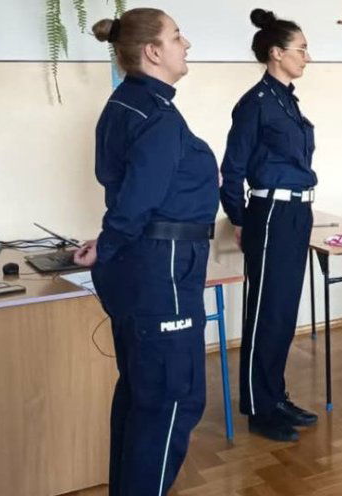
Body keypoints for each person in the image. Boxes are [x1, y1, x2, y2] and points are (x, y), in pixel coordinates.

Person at [76, 9, 218, 495]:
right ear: (152, 52)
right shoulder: (153, 115)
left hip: (149, 265)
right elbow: (136, 202)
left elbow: (134, 194)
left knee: (142, 394)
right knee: (171, 399)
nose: (187, 43)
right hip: (164, 272)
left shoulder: (126, 104)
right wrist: (110, 244)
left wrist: (109, 245)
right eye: (177, 37)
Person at [219, 8, 318, 443]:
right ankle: (258, 408)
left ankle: (275, 396)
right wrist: (241, 218)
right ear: (276, 53)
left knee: (282, 311)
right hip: (270, 213)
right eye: (301, 50)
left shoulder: (287, 101)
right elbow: (232, 169)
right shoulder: (255, 103)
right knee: (265, 313)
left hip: (297, 213)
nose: (307, 58)